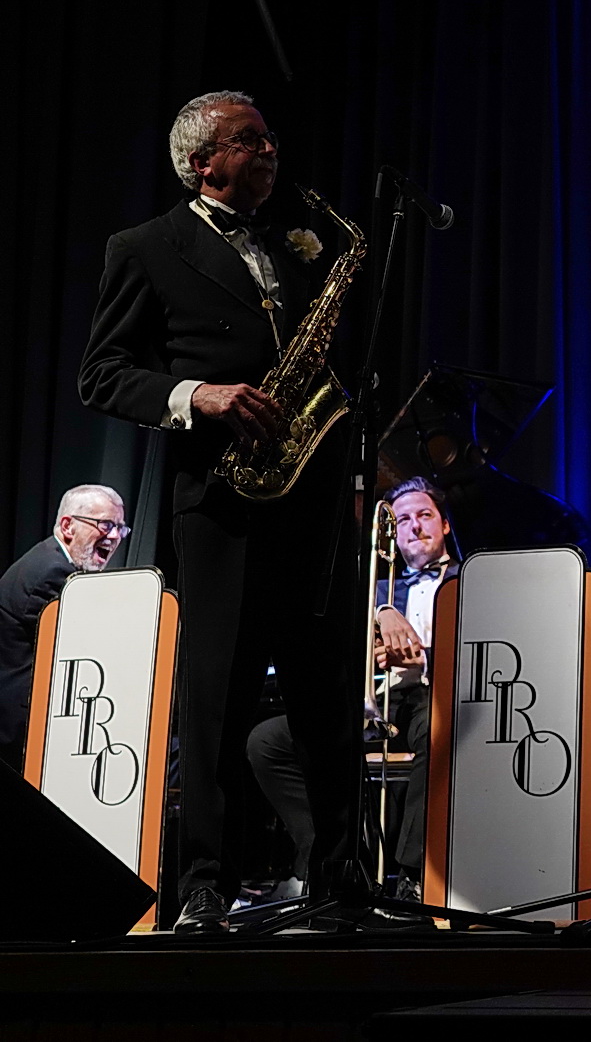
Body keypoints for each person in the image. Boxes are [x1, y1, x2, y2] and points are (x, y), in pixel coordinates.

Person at [79, 91, 357, 934]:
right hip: (222, 500)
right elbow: (102, 374)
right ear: (202, 161)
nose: (271, 148)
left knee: (327, 691)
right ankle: (206, 880)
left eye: (271, 136)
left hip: (305, 495)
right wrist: (196, 394)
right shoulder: (145, 248)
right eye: (251, 140)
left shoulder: (300, 243)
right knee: (217, 699)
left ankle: (338, 878)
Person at [246, 477, 454, 904]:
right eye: (404, 519)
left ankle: (414, 875)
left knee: (439, 726)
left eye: (425, 515)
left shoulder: (470, 579)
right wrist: (380, 611)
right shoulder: (375, 585)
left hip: (435, 698)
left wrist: (427, 659)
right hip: (376, 700)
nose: (414, 526)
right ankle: (329, 863)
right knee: (266, 742)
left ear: (445, 525)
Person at [0, 485, 128, 770]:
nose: (115, 536)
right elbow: (83, 654)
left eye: (121, 528)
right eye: (106, 524)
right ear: (68, 526)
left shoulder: (50, 560)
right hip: (21, 733)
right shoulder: (52, 573)